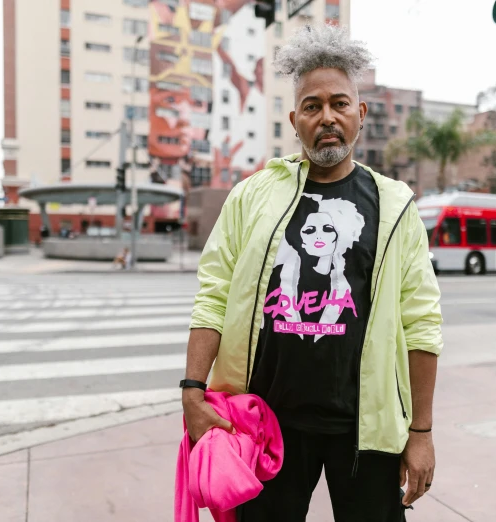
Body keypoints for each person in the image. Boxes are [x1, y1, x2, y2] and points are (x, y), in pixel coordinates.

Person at [181, 23, 443, 522]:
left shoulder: (394, 206)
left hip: (366, 427)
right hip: (265, 424)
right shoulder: (252, 196)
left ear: (360, 114)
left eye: (340, 103)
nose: (327, 117)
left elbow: (422, 324)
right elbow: (212, 295)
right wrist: (193, 391)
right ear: (294, 119)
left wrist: (422, 433)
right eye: (313, 106)